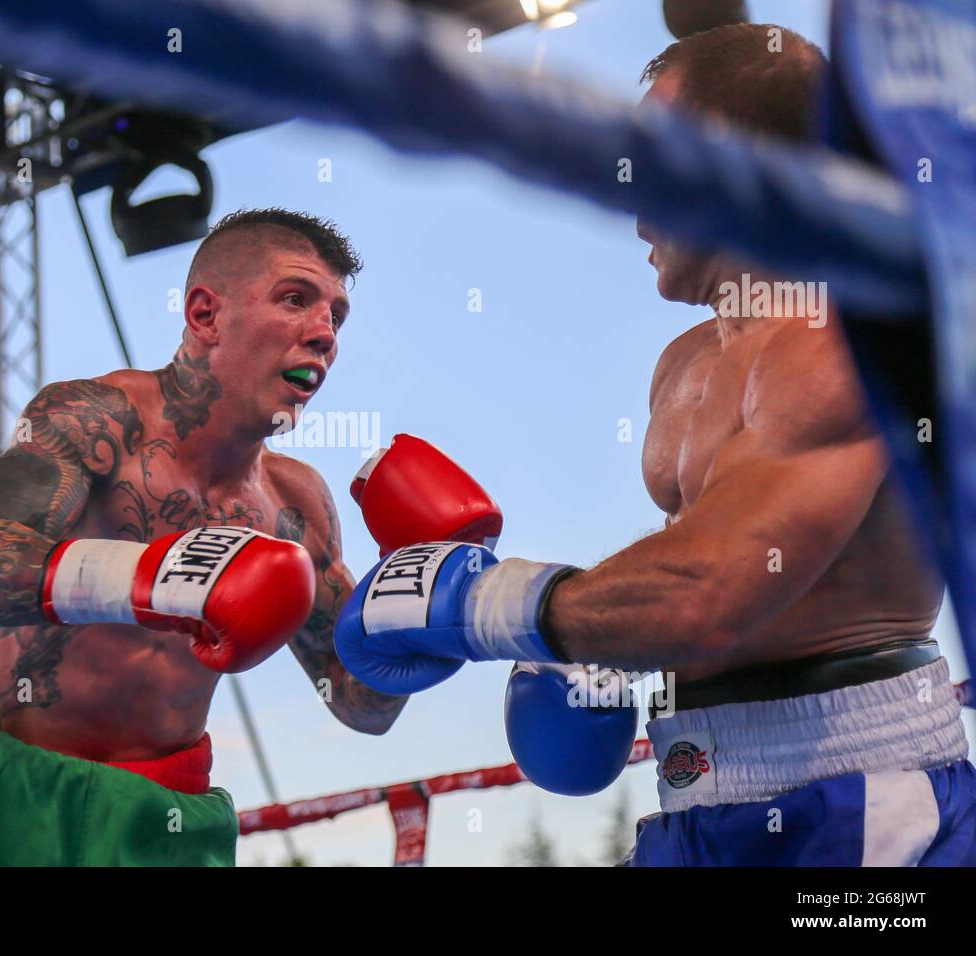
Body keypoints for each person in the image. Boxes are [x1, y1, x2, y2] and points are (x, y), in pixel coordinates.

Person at [336, 24, 976, 866]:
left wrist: (490, 607)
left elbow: (706, 593)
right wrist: (593, 656)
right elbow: (694, 573)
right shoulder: (683, 367)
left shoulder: (844, 336)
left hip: (861, 802)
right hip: (696, 799)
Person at [0, 208, 410, 866]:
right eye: (296, 299)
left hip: (158, 821)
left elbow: (361, 704)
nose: (324, 334)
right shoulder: (96, 422)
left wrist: (411, 616)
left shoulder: (296, 508)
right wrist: (157, 578)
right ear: (205, 315)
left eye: (337, 317)